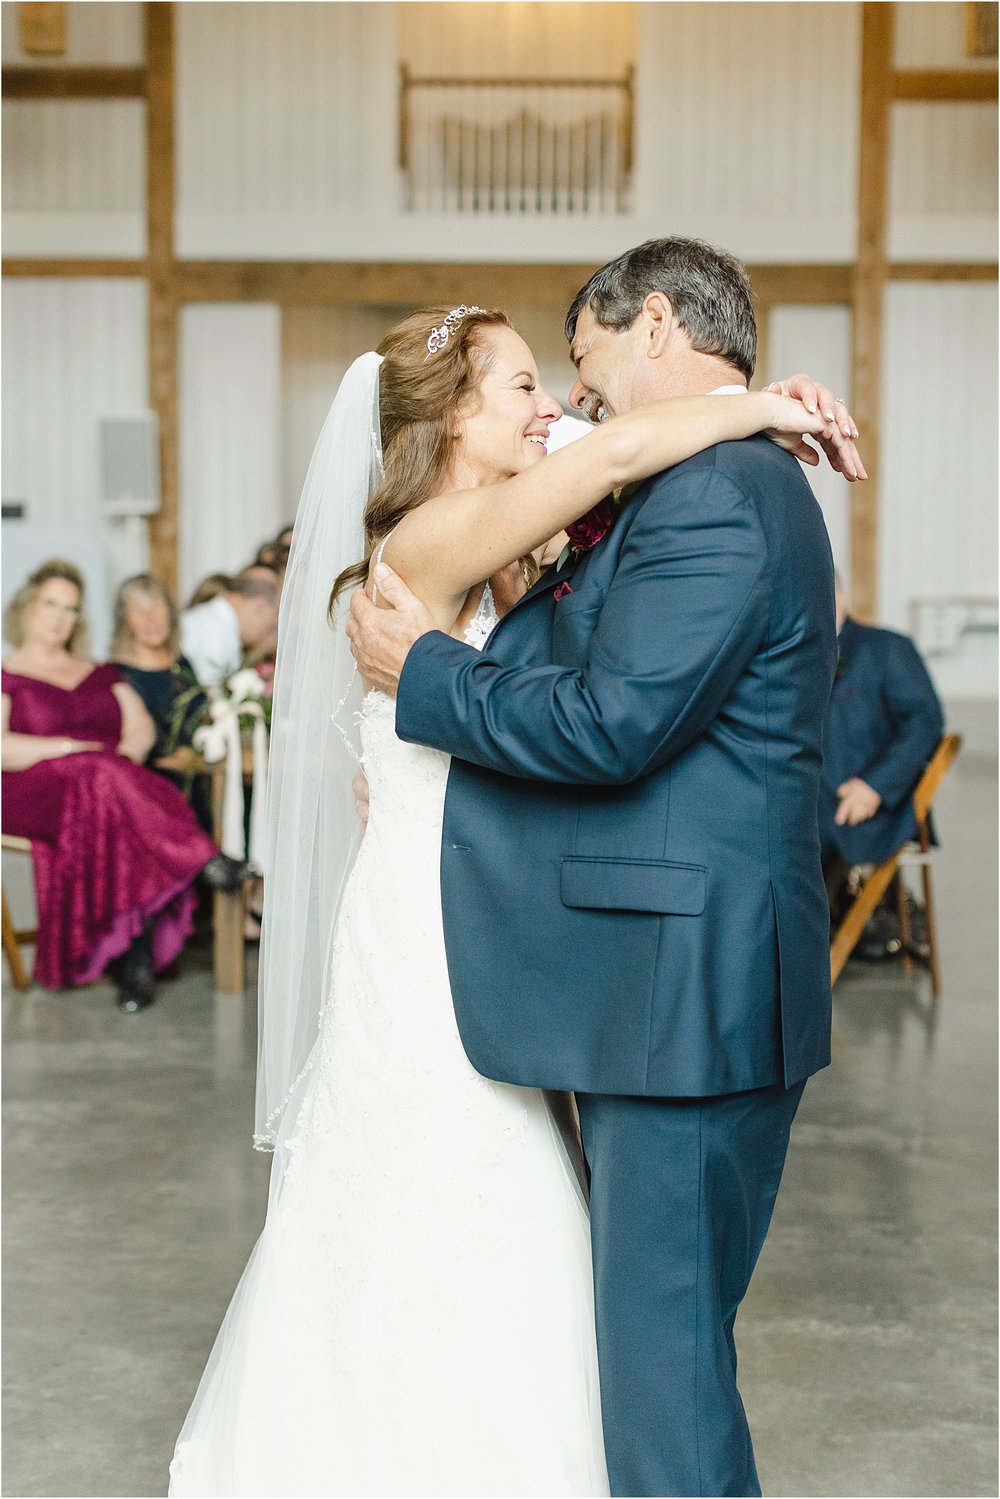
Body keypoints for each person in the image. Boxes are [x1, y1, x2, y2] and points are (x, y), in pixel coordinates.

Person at [169, 289, 860, 1496]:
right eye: (522, 388)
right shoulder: (426, 548)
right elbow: (628, 444)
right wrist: (764, 401)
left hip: (501, 909)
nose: (554, 405)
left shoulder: (520, 545)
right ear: (448, 419)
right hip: (430, 925)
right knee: (436, 1189)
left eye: (557, 378)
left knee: (530, 1215)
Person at [2, 560, 248, 1012]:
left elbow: (140, 731)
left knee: (115, 792)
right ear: (27, 607)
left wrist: (120, 768)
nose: (61, 617)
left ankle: (136, 961)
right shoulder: (8, 673)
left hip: (99, 791)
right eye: (51, 604)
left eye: (71, 609)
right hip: (28, 792)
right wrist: (71, 749)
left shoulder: (96, 671)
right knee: (102, 774)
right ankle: (202, 860)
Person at [820, 576, 945, 946]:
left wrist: (875, 786)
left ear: (839, 595)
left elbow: (926, 722)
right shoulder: (792, 654)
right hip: (807, 798)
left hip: (866, 804)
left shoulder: (887, 648)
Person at [111, 573, 205, 758]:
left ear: (170, 611)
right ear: (125, 621)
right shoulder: (118, 675)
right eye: (138, 610)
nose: (150, 618)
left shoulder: (182, 664)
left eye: (156, 606)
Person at [179, 566, 280, 686]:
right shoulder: (217, 629)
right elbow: (211, 694)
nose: (264, 634)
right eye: (269, 625)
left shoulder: (213, 619)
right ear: (259, 607)